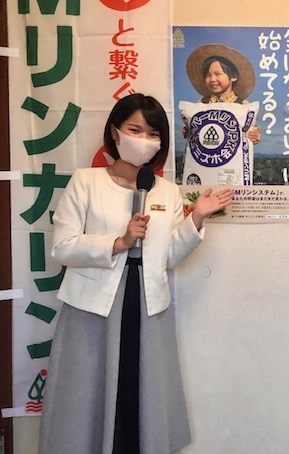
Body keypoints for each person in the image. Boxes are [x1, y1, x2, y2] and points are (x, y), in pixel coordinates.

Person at [38, 93, 234, 454]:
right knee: (86, 393)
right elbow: (62, 246)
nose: (144, 139)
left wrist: (196, 218)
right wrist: (119, 242)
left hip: (147, 303)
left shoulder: (167, 191)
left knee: (140, 389)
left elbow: (169, 255)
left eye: (153, 134)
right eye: (135, 130)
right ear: (115, 132)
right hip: (93, 306)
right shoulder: (86, 182)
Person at [184, 43, 260, 143]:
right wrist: (188, 132)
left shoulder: (244, 106)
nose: (212, 79)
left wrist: (255, 136)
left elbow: (253, 133)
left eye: (218, 74)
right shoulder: (201, 104)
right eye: (208, 75)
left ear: (233, 77)